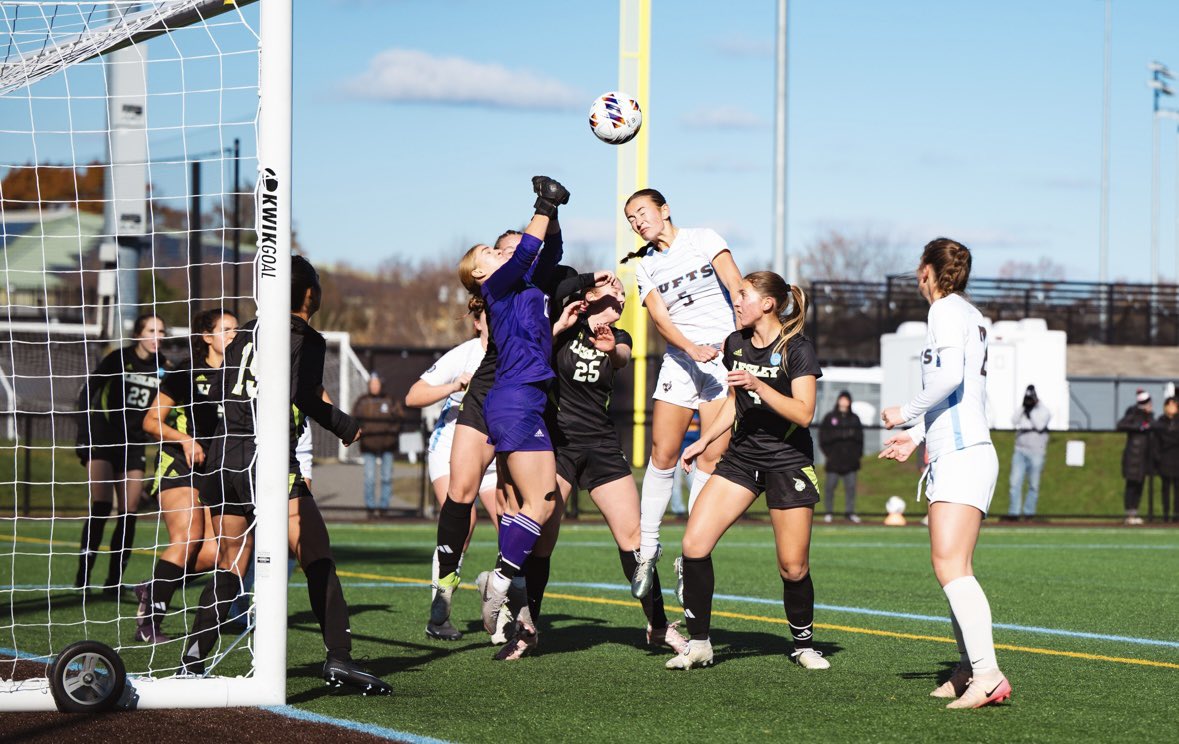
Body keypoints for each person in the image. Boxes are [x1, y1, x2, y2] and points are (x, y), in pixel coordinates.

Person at [180, 254, 391, 695]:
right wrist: (345, 425)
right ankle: (338, 659)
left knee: (232, 560)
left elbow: (223, 388)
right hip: (266, 455)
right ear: (310, 294)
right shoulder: (307, 339)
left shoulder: (244, 334)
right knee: (316, 553)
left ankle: (194, 659)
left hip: (225, 456)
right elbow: (303, 397)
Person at [495, 276, 687, 661]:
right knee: (543, 539)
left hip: (601, 445)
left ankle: (658, 624)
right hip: (558, 444)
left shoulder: (621, 336)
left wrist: (610, 347)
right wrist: (573, 309)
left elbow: (622, 358)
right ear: (590, 298)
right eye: (613, 291)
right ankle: (527, 628)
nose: (620, 297)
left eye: (623, 297)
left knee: (634, 539)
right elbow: (536, 349)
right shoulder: (564, 326)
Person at [668, 272, 827, 672]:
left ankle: (804, 645)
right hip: (741, 459)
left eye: (743, 296)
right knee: (693, 546)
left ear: (768, 304)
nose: (736, 302)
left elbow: (804, 413)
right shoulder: (735, 343)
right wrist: (704, 441)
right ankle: (701, 644)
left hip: (788, 460)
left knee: (793, 567)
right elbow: (733, 403)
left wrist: (760, 385)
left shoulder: (798, 348)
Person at [879, 237, 1012, 710]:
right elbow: (962, 393)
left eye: (920, 268)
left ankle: (987, 674)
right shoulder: (970, 314)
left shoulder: (943, 312)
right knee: (956, 568)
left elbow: (949, 378)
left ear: (927, 272)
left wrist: (904, 412)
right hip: (962, 449)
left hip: (962, 453)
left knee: (950, 567)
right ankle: (967, 668)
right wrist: (916, 437)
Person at [457, 176, 572, 648]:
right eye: (489, 251)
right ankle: (501, 580)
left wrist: (554, 213)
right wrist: (543, 202)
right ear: (480, 274)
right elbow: (525, 251)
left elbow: (547, 249)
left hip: (526, 398)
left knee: (535, 502)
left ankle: (503, 582)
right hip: (516, 397)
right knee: (541, 501)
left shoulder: (518, 282)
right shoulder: (499, 285)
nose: (498, 252)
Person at [619, 188, 742, 598]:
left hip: (722, 360)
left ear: (664, 210)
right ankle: (648, 550)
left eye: (642, 212)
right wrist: (691, 349)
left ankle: (690, 554)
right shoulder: (645, 266)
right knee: (663, 453)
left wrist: (740, 343)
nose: (638, 222)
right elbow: (660, 318)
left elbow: (737, 286)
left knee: (711, 456)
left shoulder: (704, 239)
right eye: (631, 219)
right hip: (682, 360)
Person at [135, 308, 237, 641]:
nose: (234, 335)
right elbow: (151, 421)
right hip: (179, 464)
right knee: (188, 536)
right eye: (226, 329)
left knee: (212, 553)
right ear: (207, 337)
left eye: (237, 330)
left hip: (215, 469)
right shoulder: (184, 372)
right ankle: (149, 623)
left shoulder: (241, 376)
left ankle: (153, 588)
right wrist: (186, 440)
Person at [404, 296, 500, 640]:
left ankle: (500, 597)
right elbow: (413, 395)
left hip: (493, 452)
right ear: (478, 321)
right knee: (464, 520)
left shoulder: (514, 350)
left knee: (514, 522)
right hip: (450, 449)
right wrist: (455, 385)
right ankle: (439, 609)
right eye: (491, 313)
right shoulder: (465, 353)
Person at [74, 313, 172, 594]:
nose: (158, 337)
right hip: (104, 439)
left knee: (128, 513)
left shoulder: (165, 368)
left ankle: (113, 582)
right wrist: (84, 435)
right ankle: (84, 576)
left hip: (135, 444)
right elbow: (86, 393)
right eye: (152, 330)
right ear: (139, 334)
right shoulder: (118, 359)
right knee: (102, 506)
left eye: (162, 332)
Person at [353, 373, 401, 518]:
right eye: (372, 384)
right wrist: (363, 432)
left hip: (387, 446)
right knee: (369, 478)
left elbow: (399, 418)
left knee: (386, 478)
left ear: (381, 385)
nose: (375, 386)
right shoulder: (362, 401)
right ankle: (370, 508)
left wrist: (390, 435)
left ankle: (384, 508)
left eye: (377, 383)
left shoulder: (390, 400)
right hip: (368, 446)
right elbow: (354, 419)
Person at [1006, 384, 1051, 521]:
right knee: (1014, 483)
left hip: (1037, 451)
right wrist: (1023, 407)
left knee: (1033, 484)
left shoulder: (1043, 410)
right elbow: (1013, 420)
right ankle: (1014, 514)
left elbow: (1040, 425)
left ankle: (1029, 514)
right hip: (1020, 450)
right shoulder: (1023, 409)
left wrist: (1030, 412)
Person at [818, 390, 863, 523]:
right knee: (830, 487)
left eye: (846, 399)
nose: (844, 402)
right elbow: (822, 437)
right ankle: (829, 512)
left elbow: (860, 439)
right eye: (842, 399)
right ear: (838, 401)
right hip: (834, 461)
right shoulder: (830, 417)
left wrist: (857, 455)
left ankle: (849, 513)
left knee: (850, 488)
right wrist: (829, 454)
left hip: (851, 461)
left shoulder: (854, 419)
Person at [1118, 389, 1154, 526]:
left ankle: (1134, 512)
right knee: (1131, 485)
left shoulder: (1149, 416)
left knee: (1139, 485)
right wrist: (1140, 427)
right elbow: (1121, 425)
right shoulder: (1133, 413)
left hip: (1144, 456)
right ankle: (1129, 514)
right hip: (1133, 455)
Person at [1154, 397, 1179, 523]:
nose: (1171, 408)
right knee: (1166, 488)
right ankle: (1165, 514)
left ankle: (1176, 514)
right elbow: (1159, 440)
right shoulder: (1160, 422)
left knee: (1177, 489)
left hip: (1177, 460)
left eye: (1174, 405)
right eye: (1169, 405)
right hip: (1165, 460)